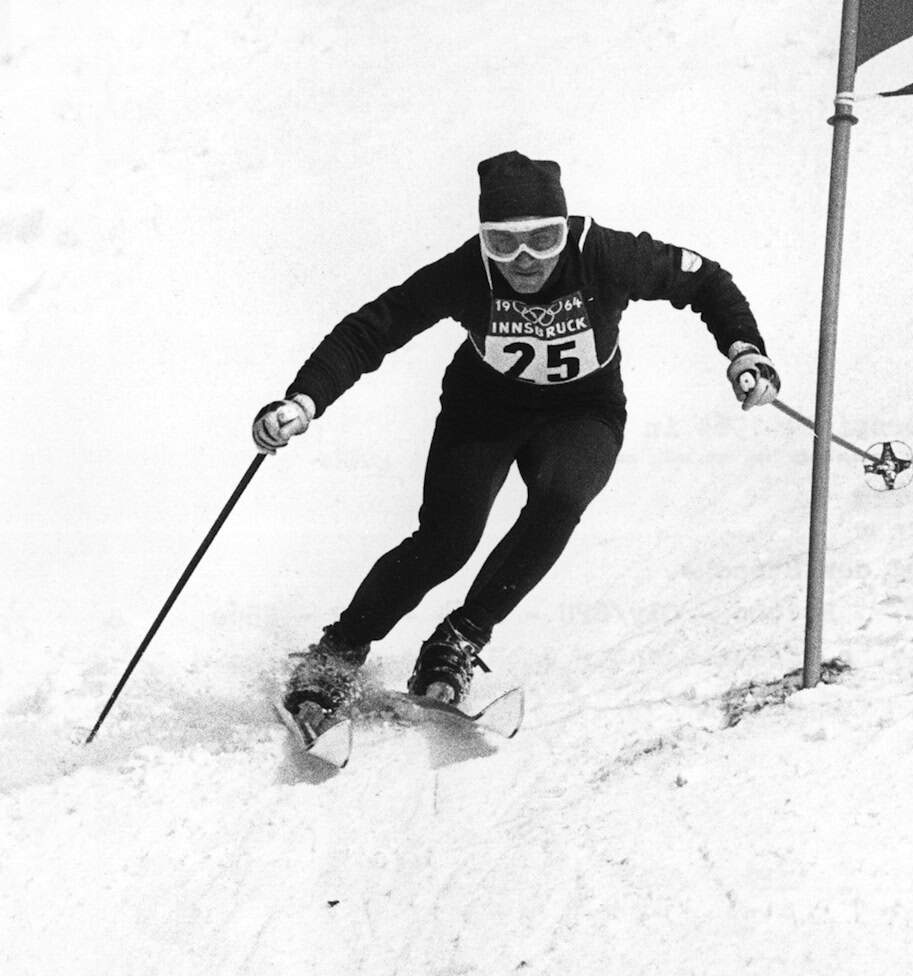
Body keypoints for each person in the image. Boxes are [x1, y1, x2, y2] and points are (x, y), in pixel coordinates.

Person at [253, 151, 779, 735]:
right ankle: (338, 651)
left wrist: (743, 348)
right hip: (485, 409)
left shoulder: (606, 254)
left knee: (561, 499)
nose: (525, 260)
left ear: (567, 230)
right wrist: (304, 400)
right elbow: (374, 327)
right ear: (483, 241)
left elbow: (704, 279)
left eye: (544, 239)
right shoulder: (466, 271)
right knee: (448, 539)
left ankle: (459, 639)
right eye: (503, 244)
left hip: (583, 410)